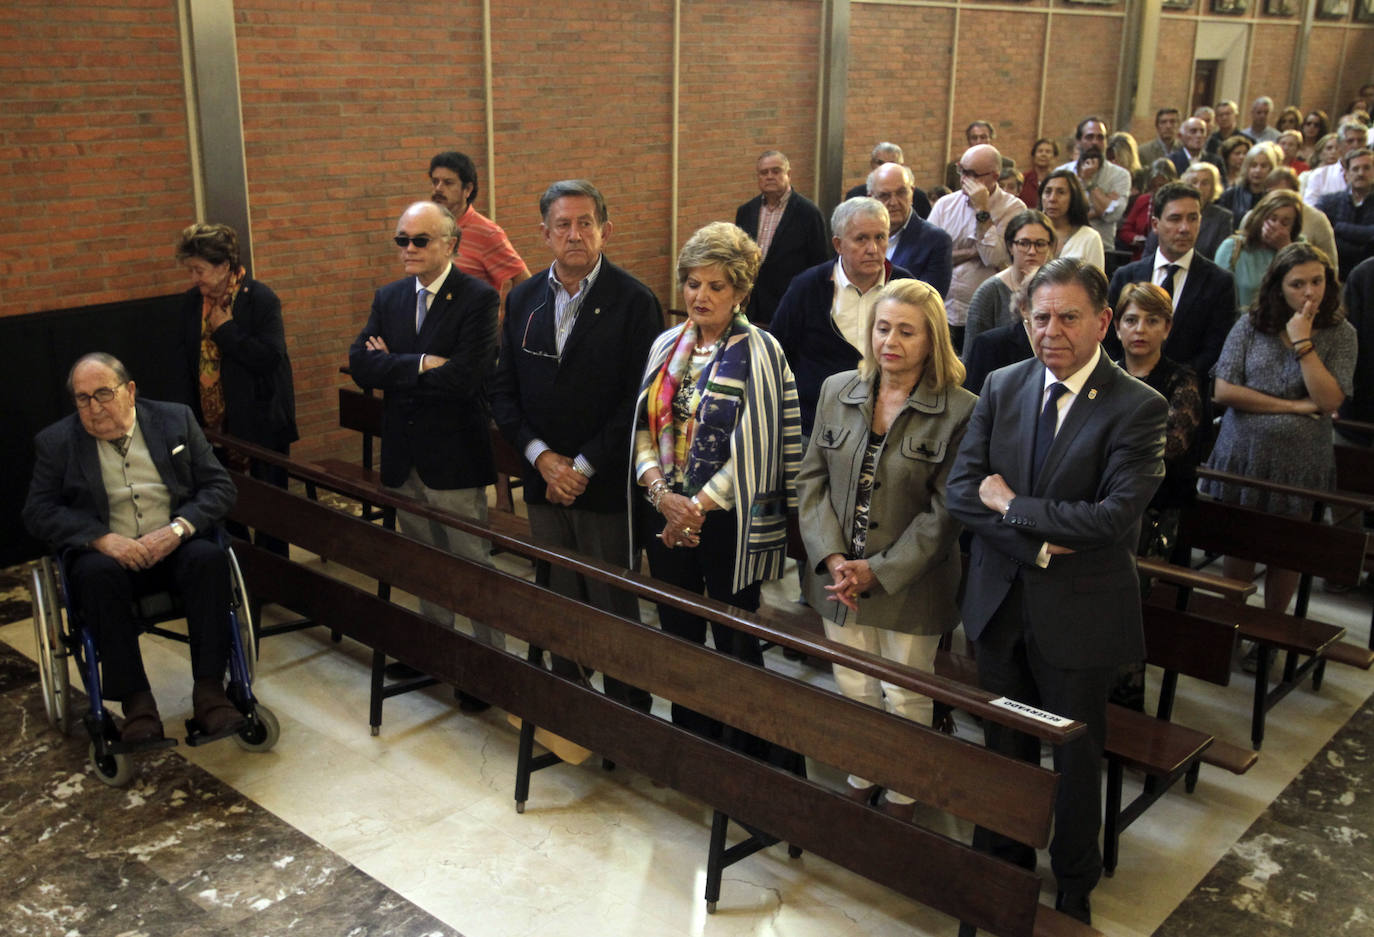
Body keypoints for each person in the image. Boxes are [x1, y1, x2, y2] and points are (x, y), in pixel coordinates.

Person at [947, 258, 1167, 925]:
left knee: (1073, 760)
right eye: (1039, 316)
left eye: (1068, 316)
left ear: (1102, 321)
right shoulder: (1004, 382)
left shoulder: (1138, 406)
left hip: (1080, 616)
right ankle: (1004, 863)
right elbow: (962, 491)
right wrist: (1038, 540)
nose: (1052, 330)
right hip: (999, 604)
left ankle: (1074, 881)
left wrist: (1011, 506)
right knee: (1004, 748)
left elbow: (1110, 518)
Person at [796, 278, 975, 820]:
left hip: (909, 582)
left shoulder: (960, 410)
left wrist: (878, 570)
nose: (889, 341)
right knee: (853, 681)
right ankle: (864, 768)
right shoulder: (838, 389)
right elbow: (811, 483)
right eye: (881, 327)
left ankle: (904, 788)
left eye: (905, 331)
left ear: (932, 340)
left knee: (906, 693)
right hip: (837, 576)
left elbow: (945, 514)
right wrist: (832, 559)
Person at [487, 180, 659, 714]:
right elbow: (504, 390)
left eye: (586, 223)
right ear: (544, 234)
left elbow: (640, 399)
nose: (575, 234)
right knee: (558, 596)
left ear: (606, 230)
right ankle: (571, 709)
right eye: (563, 224)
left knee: (610, 601)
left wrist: (581, 465)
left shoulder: (634, 301)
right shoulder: (523, 298)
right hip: (543, 477)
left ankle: (627, 711)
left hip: (603, 481)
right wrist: (541, 457)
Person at [632, 221, 801, 746]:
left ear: (742, 292)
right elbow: (642, 428)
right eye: (692, 283)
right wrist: (662, 495)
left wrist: (695, 507)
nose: (700, 295)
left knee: (734, 636)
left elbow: (759, 447)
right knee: (677, 632)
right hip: (667, 515)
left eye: (716, 286)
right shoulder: (666, 344)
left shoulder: (761, 351)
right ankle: (692, 740)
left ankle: (743, 747)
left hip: (727, 520)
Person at [23, 353, 240, 742]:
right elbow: (37, 511)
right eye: (83, 398)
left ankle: (211, 693)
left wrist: (177, 529)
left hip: (174, 547)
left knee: (209, 558)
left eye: (103, 393)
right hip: (108, 559)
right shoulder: (57, 443)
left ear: (130, 391)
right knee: (94, 574)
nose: (94, 407)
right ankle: (137, 704)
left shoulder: (175, 420)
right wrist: (101, 539)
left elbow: (220, 487)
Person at [348, 201, 501, 710]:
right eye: (401, 240)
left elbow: (464, 378)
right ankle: (435, 652)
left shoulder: (477, 299)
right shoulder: (388, 297)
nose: (408, 250)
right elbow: (360, 365)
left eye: (420, 240)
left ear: (450, 244)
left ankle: (484, 665)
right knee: (423, 561)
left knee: (468, 563)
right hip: (403, 456)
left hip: (453, 457)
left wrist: (391, 363)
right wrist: (417, 365)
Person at [1199, 243, 1355, 616]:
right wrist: (1295, 406)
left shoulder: (1340, 331)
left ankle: (1271, 625)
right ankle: (1232, 619)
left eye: (1317, 282)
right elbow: (1224, 390)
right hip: (1244, 454)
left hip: (1301, 462)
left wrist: (1303, 342)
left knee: (1288, 549)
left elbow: (1329, 399)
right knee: (1240, 544)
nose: (1309, 292)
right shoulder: (1251, 324)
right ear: (1278, 287)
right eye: (1298, 284)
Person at [174, 223, 297, 556]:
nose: (195, 278)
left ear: (224, 266)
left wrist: (225, 331)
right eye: (191, 270)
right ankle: (242, 570)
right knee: (226, 505)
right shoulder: (191, 303)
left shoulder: (259, 299)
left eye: (199, 270)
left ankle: (274, 575)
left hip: (261, 420)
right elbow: (186, 363)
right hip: (214, 425)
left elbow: (270, 358)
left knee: (270, 507)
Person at [771, 198, 913, 440]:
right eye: (861, 239)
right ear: (838, 244)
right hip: (814, 427)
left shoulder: (906, 288)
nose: (873, 249)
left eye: (880, 237)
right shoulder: (807, 287)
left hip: (887, 429)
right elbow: (777, 355)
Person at [1107, 182, 1238, 376]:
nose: (1185, 228)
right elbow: (1109, 339)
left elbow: (1215, 349)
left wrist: (1174, 381)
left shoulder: (1219, 282)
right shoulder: (1126, 276)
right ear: (1155, 225)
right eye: (1175, 219)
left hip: (1187, 392)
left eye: (1192, 219)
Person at [1113, 283, 1206, 556]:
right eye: (1131, 320)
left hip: (1160, 502)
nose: (1140, 329)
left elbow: (1171, 446)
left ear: (1166, 328)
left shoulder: (1182, 379)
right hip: (1105, 496)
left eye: (1152, 321)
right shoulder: (1105, 375)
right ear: (1117, 327)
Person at [928, 143, 1026, 352]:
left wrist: (982, 209)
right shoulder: (945, 205)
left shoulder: (1014, 208)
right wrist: (973, 252)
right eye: (961, 170)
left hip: (984, 313)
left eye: (972, 174)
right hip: (944, 310)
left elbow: (992, 256)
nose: (964, 178)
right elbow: (932, 255)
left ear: (994, 176)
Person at [733, 150, 830, 326]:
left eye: (776, 171)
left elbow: (820, 265)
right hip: (751, 306)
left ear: (788, 174)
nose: (769, 176)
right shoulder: (745, 212)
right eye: (764, 172)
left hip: (790, 305)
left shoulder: (808, 214)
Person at [428, 150, 531, 305]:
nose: (438, 189)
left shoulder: (487, 233)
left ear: (467, 189)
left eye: (448, 183)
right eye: (435, 182)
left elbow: (525, 282)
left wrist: (506, 322)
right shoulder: (427, 226)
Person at [962, 210, 1054, 356]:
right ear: (1011, 247)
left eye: (1040, 244)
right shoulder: (989, 292)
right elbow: (972, 357)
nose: (1032, 251)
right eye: (1024, 243)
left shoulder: (1059, 290)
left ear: (1049, 248)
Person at [868, 162, 952, 296]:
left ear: (912, 193)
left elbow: (928, 301)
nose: (894, 202)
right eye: (885, 195)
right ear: (871, 198)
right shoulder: (859, 236)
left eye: (901, 193)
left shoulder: (936, 241)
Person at [1216, 189, 1305, 313]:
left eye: (1285, 223)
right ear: (1260, 217)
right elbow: (1218, 299)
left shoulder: (1299, 249)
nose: (1276, 227)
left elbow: (1304, 287)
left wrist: (1284, 249)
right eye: (1272, 219)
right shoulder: (1232, 247)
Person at [1060, 119, 1132, 248]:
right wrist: (1099, 208)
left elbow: (1112, 215)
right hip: (1065, 246)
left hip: (1103, 248)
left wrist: (1089, 183)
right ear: (1078, 141)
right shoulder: (1062, 173)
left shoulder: (1120, 175)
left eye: (1100, 138)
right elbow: (1057, 214)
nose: (1095, 142)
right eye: (1089, 137)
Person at [1141, 162, 1233, 261]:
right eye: (1194, 182)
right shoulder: (1169, 210)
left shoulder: (1222, 218)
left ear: (1213, 187)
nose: (1199, 187)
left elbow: (1220, 258)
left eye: (1205, 183)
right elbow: (1149, 253)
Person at [1315, 146, 1374, 277]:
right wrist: (1365, 243)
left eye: (1366, 168)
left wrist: (1340, 227)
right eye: (1355, 169)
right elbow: (1321, 238)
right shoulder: (1328, 203)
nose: (1360, 173)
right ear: (1346, 174)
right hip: (1336, 274)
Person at [1263, 166, 1339, 265]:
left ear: (1296, 193)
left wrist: (1285, 246)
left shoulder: (1317, 220)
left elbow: (1330, 265)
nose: (1278, 200)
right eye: (1273, 194)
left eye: (1284, 194)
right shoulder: (1253, 217)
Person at [1036, 169, 1104, 270]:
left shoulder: (1089, 238)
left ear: (1074, 198)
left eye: (1061, 192)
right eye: (1047, 192)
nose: (1052, 199)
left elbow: (1095, 284)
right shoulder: (1030, 233)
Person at [845, 142, 932, 218]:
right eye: (880, 163)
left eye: (891, 163)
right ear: (871, 164)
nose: (884, 167)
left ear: (901, 166)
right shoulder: (855, 196)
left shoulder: (918, 197)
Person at [1117, 159, 1178, 260]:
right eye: (1154, 185)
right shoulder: (1143, 200)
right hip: (1141, 258)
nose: (1157, 189)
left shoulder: (1178, 204)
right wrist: (1135, 238)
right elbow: (1125, 230)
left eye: (1161, 185)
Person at [1303, 119, 1369, 207]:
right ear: (1339, 145)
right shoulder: (1320, 175)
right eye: (1350, 141)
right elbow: (1310, 209)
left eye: (1360, 141)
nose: (1356, 146)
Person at [1218, 141, 1282, 229]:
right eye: (1253, 165)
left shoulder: (1276, 198)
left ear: (1271, 169)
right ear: (1246, 167)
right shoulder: (1230, 195)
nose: (1258, 170)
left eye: (1263, 166)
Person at [1021, 137, 1060, 208]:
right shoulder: (1023, 179)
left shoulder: (1059, 181)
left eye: (1048, 152)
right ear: (1033, 156)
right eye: (1040, 151)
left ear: (1055, 157)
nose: (1043, 154)